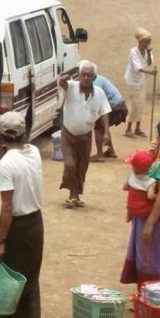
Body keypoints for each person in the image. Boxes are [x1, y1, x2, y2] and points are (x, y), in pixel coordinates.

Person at [0, 111, 48, 318]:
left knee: (14, 275)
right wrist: (1, 145)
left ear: (0, 131)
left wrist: (0, 240)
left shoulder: (6, 164)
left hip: (18, 226)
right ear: (24, 130)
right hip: (35, 222)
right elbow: (11, 162)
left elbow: (7, 206)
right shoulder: (34, 152)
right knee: (26, 272)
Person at [120, 117, 160, 289]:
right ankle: (146, 297)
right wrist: (153, 155)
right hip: (151, 214)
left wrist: (149, 225)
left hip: (153, 217)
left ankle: (150, 298)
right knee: (147, 255)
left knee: (149, 258)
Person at [59, 60, 111, 208]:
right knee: (70, 165)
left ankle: (74, 196)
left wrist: (106, 132)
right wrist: (63, 80)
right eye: (83, 75)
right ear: (79, 76)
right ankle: (72, 195)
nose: (86, 78)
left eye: (90, 75)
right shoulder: (71, 87)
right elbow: (63, 84)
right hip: (68, 134)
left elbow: (105, 112)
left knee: (82, 167)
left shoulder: (99, 93)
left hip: (86, 136)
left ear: (94, 78)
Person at [123, 149, 160, 232]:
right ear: (149, 169)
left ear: (133, 168)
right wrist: (159, 197)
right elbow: (150, 196)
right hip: (144, 211)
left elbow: (125, 188)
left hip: (132, 208)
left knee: (130, 198)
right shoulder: (150, 181)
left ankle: (128, 217)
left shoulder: (131, 177)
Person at [124, 28, 157, 138]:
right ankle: (128, 129)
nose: (147, 44)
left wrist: (148, 52)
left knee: (142, 104)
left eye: (149, 41)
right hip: (133, 81)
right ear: (140, 41)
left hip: (142, 80)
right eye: (145, 41)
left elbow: (149, 63)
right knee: (135, 104)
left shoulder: (148, 51)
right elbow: (138, 67)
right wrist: (151, 72)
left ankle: (138, 128)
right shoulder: (133, 52)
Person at [91, 72, 129, 162]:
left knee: (99, 127)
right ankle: (111, 151)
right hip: (119, 106)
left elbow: (99, 106)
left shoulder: (96, 84)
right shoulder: (98, 78)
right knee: (103, 126)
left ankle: (100, 155)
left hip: (117, 107)